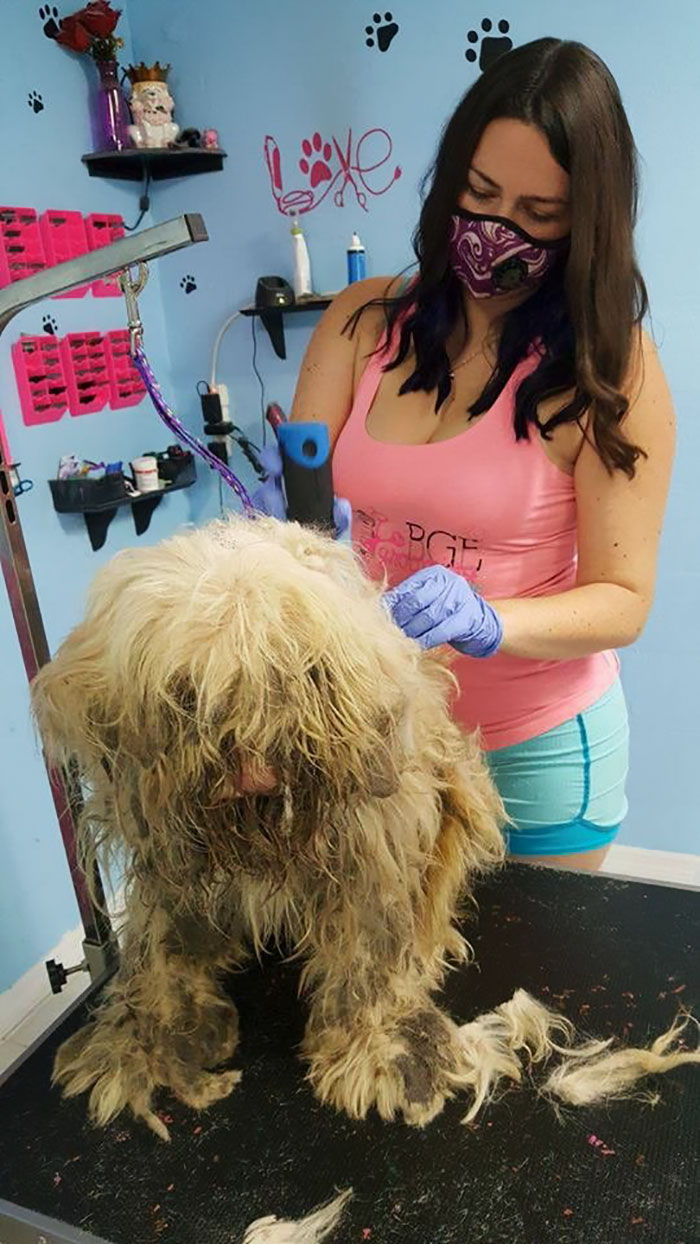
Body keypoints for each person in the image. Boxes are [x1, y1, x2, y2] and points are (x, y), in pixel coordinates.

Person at [255, 38, 676, 872]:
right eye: (479, 194)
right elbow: (301, 528)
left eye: (538, 214)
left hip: (534, 757)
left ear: (585, 220)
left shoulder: (607, 364)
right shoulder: (364, 322)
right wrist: (285, 532)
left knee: (520, 995)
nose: (496, 229)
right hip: (376, 740)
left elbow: (623, 601)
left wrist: (494, 620)